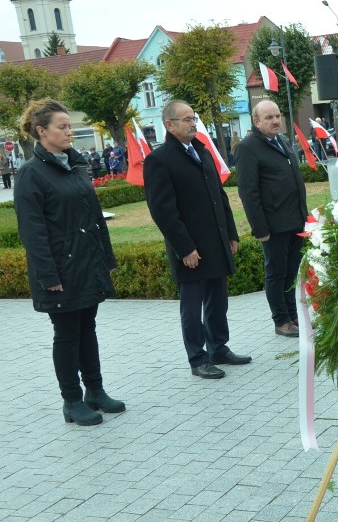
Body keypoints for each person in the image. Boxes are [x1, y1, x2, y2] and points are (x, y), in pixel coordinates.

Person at [14, 99, 124, 426]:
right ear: (41, 131)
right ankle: (72, 401)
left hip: (87, 264)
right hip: (60, 270)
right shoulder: (31, 174)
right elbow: (32, 232)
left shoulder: (75, 166)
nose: (69, 132)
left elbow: (93, 218)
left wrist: (106, 258)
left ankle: (95, 391)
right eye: (61, 127)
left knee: (87, 328)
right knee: (66, 334)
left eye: (69, 126)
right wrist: (49, 275)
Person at [143, 100, 250, 379]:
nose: (193, 123)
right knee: (192, 306)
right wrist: (185, 248)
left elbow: (220, 196)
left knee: (218, 300)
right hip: (190, 248)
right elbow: (162, 211)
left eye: (194, 118)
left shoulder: (202, 151)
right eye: (186, 119)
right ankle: (197, 357)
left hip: (216, 242)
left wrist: (231, 233)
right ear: (170, 125)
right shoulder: (159, 160)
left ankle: (218, 348)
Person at [236, 100, 308, 337]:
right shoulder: (248, 147)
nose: (276, 121)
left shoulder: (282, 141)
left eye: (277, 116)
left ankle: (293, 315)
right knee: (276, 274)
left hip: (295, 221)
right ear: (256, 122)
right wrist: (260, 228)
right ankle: (281, 320)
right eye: (269, 117)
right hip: (273, 225)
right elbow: (248, 192)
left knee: (291, 272)